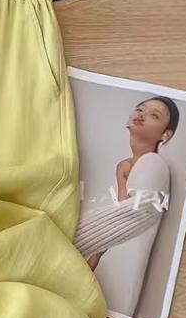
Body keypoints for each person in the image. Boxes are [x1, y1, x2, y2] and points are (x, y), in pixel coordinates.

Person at [77, 96, 180, 271]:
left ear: (166, 134)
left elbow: (125, 211)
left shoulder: (151, 165)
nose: (141, 115)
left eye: (154, 115)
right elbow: (122, 206)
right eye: (139, 109)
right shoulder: (125, 166)